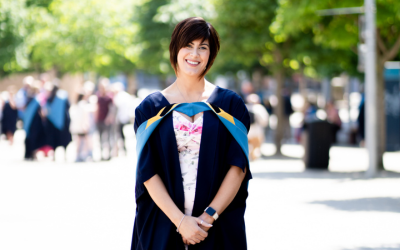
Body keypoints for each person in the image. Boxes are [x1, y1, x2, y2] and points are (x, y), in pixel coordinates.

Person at [131, 17, 251, 250]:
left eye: (203, 47)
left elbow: (237, 168)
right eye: (188, 45)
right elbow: (147, 171)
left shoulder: (230, 105)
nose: (194, 54)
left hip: (217, 225)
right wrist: (181, 222)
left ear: (211, 55)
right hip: (163, 222)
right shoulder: (150, 109)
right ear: (176, 48)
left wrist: (207, 218)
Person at [246, 93, 269, 160]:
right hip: (257, 131)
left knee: (248, 146)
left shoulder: (245, 107)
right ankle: (253, 157)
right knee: (256, 146)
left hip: (246, 131)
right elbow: (264, 120)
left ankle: (250, 157)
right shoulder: (259, 108)